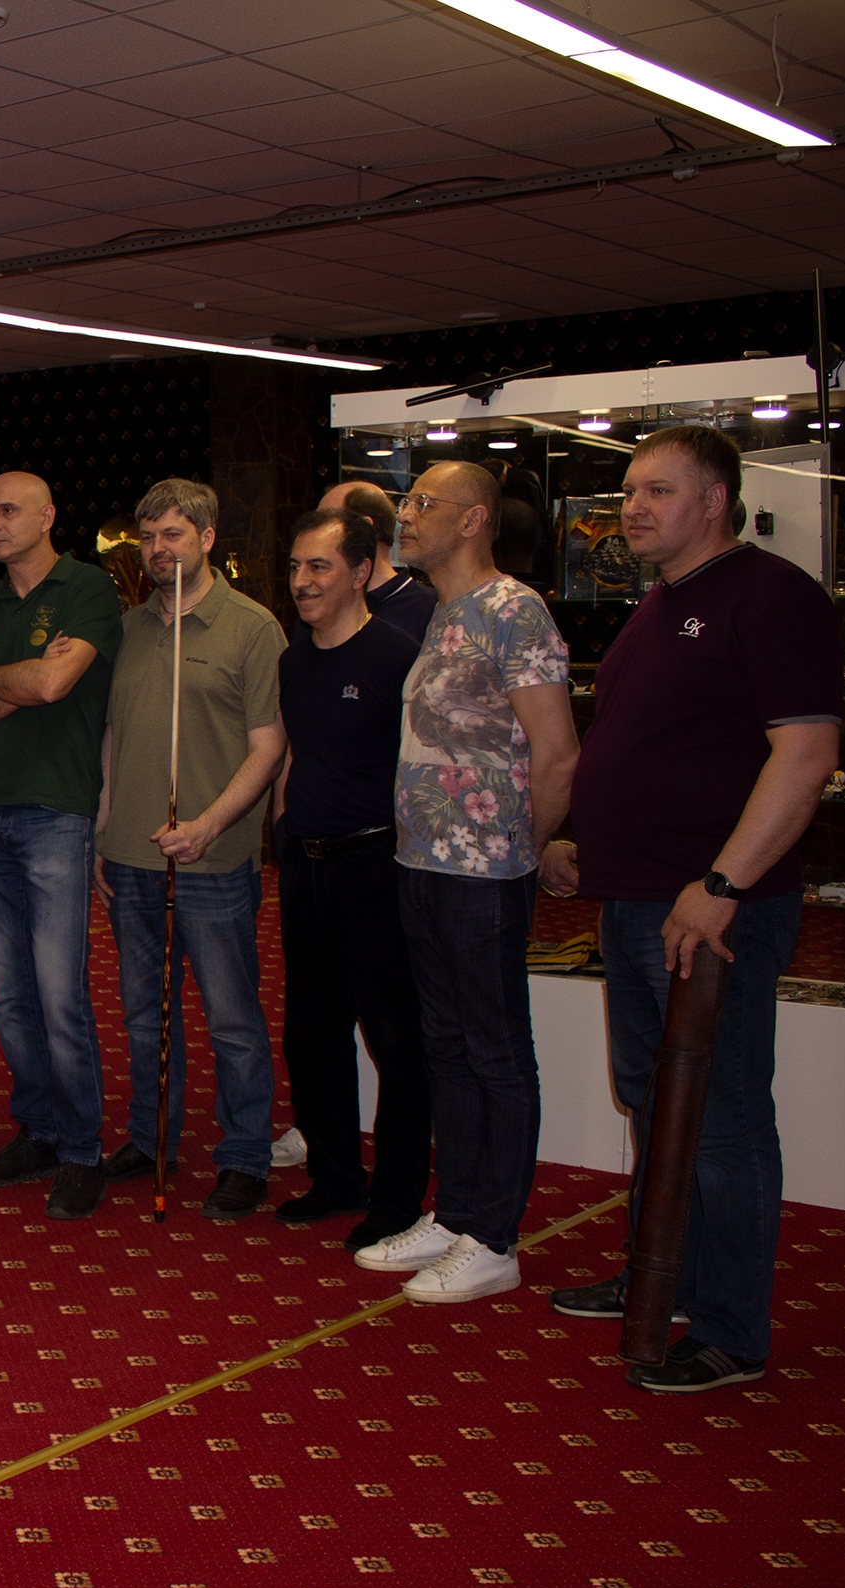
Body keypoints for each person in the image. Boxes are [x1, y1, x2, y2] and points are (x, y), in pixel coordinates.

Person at [544, 426, 841, 1394]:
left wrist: (721, 886)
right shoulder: (659, 603)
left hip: (714, 914)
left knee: (722, 1120)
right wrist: (584, 840)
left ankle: (729, 1331)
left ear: (715, 500)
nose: (631, 508)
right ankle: (660, 1279)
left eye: (657, 491)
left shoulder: (772, 597)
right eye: (628, 491)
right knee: (656, 1104)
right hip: (636, 903)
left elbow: (806, 757)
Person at [357, 461, 578, 1304]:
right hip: (421, 863)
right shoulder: (444, 610)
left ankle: (495, 1236)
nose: (406, 515)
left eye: (424, 503)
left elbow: (557, 753)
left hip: (485, 872)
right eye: (406, 501)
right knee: (444, 1046)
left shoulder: (514, 610)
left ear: (475, 519)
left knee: (495, 1052)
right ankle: (455, 1214)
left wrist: (527, 845)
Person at [97, 478, 288, 1222]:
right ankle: (152, 1140)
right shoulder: (129, 627)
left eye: (172, 535)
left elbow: (268, 748)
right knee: (145, 1018)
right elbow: (114, 735)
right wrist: (105, 828)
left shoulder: (252, 627)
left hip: (213, 860)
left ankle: (244, 1158)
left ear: (206, 539)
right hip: (133, 857)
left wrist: (208, 824)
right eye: (148, 538)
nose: (157, 550)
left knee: (233, 1022)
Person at [0, 472, 121, 1219]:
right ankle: (38, 1130)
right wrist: (14, 677)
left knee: (58, 993)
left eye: (9, 510)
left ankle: (81, 1150)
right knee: (9, 995)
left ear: (48, 516)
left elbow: (52, 687)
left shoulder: (88, 588)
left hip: (55, 812)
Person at [270, 509, 432, 1251]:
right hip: (305, 866)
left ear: (362, 572)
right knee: (311, 1035)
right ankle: (336, 1177)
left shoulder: (398, 656)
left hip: (376, 868)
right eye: (295, 567)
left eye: (319, 567)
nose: (302, 582)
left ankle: (397, 1200)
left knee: (396, 1041)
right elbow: (297, 757)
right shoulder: (294, 660)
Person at [319, 480, 434, 645]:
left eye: (326, 523)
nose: (315, 535)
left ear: (364, 529)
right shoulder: (321, 605)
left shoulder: (430, 610)